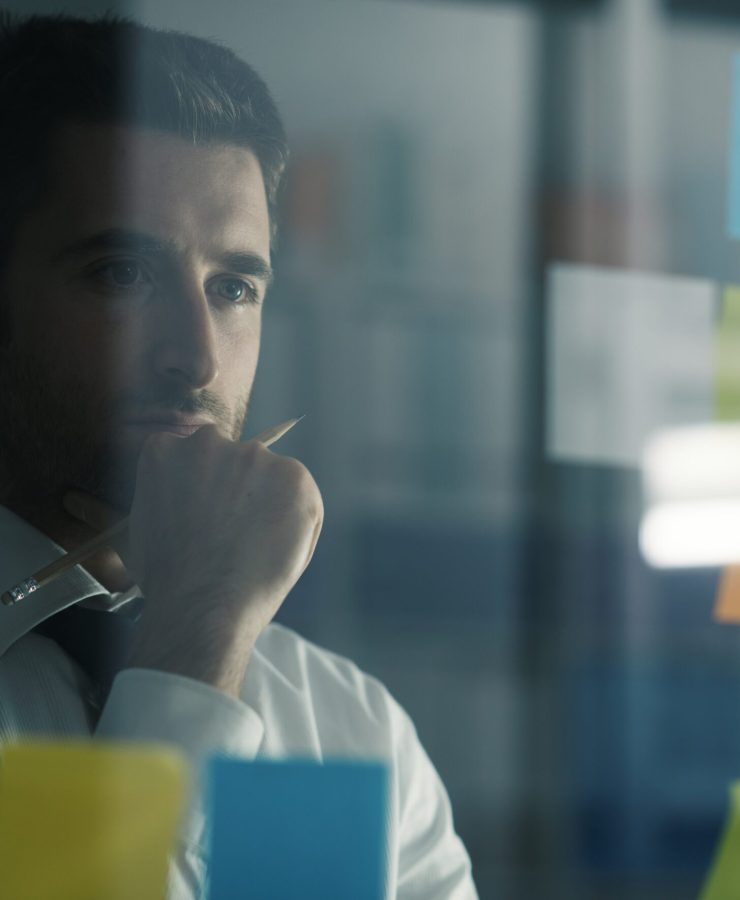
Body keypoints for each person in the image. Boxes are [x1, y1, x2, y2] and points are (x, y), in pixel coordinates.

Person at [0, 12, 478, 899]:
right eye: (122, 274)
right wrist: (195, 643)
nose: (198, 357)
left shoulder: (347, 725)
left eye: (233, 287)